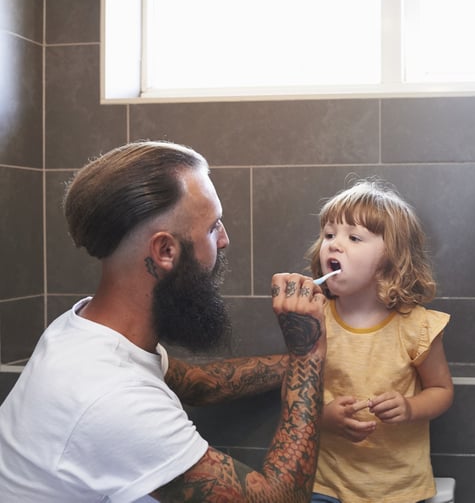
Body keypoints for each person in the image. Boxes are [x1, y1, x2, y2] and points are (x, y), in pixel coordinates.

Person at [0, 141, 327, 502]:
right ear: (165, 251)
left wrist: (313, 362)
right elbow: (281, 499)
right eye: (212, 227)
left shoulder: (86, 329)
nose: (225, 239)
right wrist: (308, 352)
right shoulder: (111, 398)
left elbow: (203, 384)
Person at [305, 179, 454, 503]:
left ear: (391, 258)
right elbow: (296, 397)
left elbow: (442, 391)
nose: (333, 244)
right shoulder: (315, 320)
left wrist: (410, 407)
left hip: (397, 489)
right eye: (329, 234)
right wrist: (323, 416)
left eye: (354, 237)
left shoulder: (416, 327)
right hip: (326, 484)